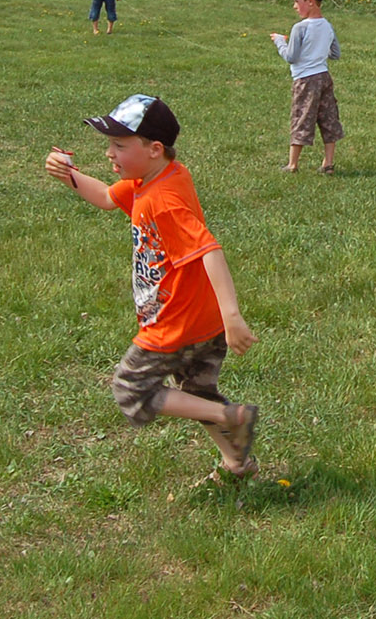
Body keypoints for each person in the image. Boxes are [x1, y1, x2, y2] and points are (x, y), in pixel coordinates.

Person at [43, 95, 261, 483]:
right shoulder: (159, 176)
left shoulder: (162, 200)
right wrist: (70, 176)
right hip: (201, 319)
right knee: (199, 395)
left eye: (120, 146)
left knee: (131, 390)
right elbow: (108, 198)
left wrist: (234, 316)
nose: (110, 153)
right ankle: (237, 464)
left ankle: (231, 417)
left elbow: (209, 250)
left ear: (154, 148)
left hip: (175, 322)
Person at [270, 0, 343, 174]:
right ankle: (328, 163)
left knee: (302, 117)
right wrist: (318, 51)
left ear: (309, 2)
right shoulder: (327, 26)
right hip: (324, 77)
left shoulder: (299, 28)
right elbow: (335, 53)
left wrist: (279, 41)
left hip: (305, 80)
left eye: (296, 1)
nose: (294, 6)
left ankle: (292, 164)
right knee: (329, 118)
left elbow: (291, 57)